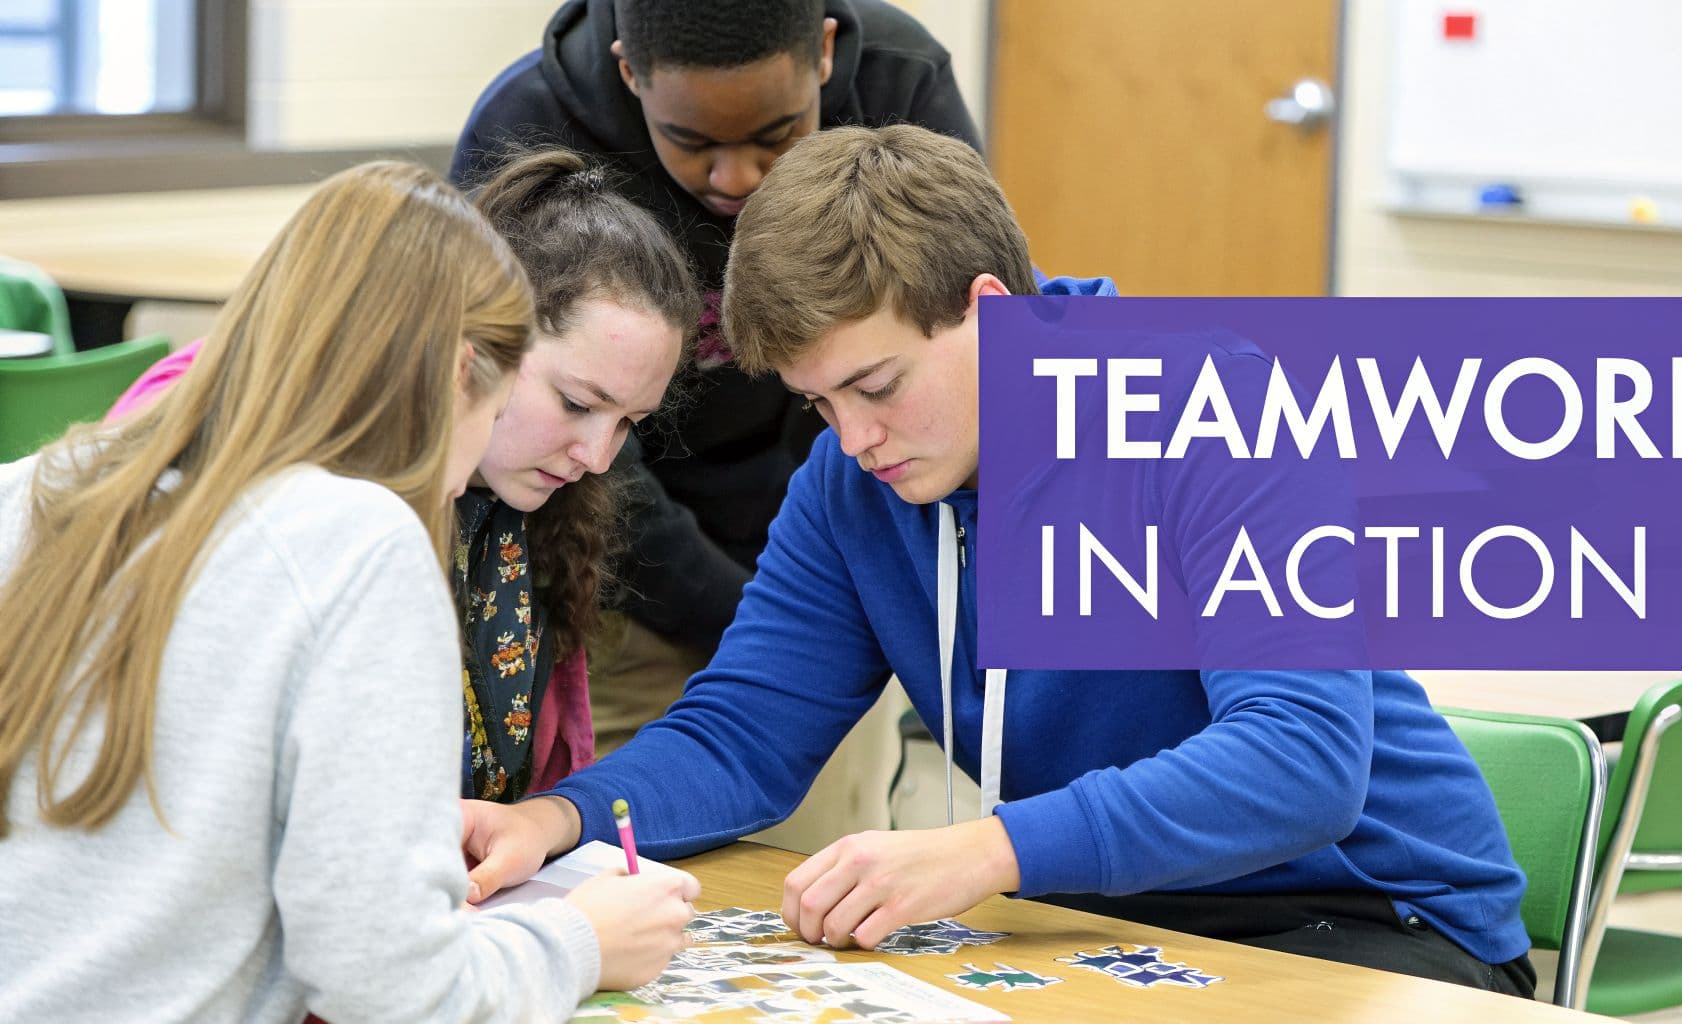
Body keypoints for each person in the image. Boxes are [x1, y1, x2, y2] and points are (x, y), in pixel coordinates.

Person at [459, 126, 1538, 997]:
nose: (854, 437)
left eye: (876, 386)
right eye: (817, 403)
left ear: (991, 312)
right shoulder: (853, 484)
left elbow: (1298, 760)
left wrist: (987, 850)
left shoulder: (1219, 416)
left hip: (1370, 924)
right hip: (1105, 923)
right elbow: (744, 731)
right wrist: (553, 818)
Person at [0, 162, 698, 1023]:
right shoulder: (364, 543)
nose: (595, 458)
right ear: (459, 370)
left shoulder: (37, 485)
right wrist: (577, 941)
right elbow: (389, 986)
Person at [452, 0, 982, 752]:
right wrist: (751, 626)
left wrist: (810, 611)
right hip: (621, 570)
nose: (738, 176)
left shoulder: (903, 79)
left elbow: (970, 338)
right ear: (629, 73)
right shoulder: (529, 124)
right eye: (690, 140)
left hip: (831, 577)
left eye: (777, 133)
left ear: (824, 54)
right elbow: (589, 466)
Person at [108, 147, 702, 802]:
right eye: (577, 404)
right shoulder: (279, 479)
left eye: (628, 423)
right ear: (479, 343)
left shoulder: (541, 512)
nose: (597, 457)